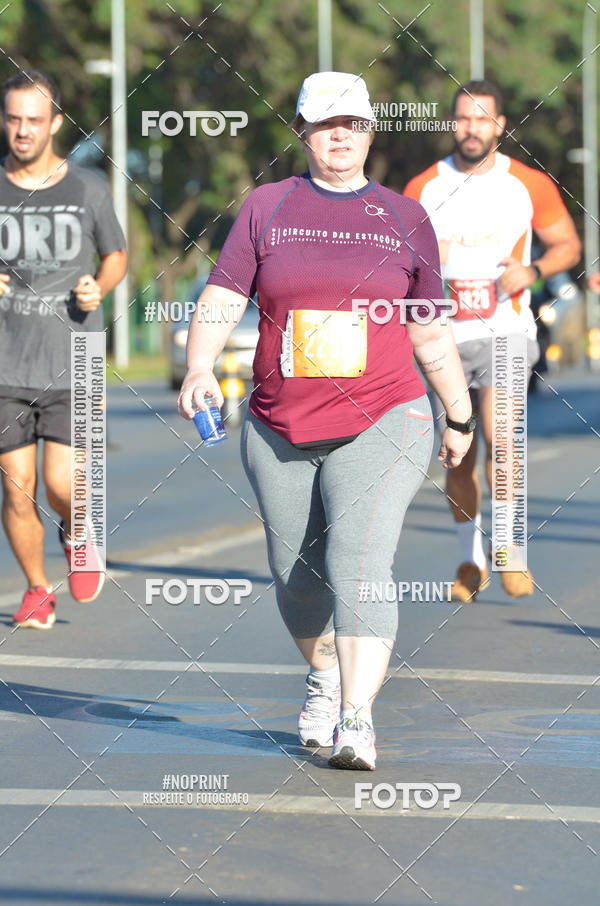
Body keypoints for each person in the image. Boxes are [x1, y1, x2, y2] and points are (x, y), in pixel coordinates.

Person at [178, 71, 473, 771]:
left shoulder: (405, 219)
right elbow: (222, 296)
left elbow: (429, 331)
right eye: (325, 123)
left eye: (354, 123)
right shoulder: (266, 207)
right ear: (303, 132)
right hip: (280, 423)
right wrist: (197, 368)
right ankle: (324, 677)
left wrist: (459, 414)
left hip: (386, 414)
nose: (340, 134)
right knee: (296, 573)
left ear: (371, 131)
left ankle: (356, 720)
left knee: (360, 562)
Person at [404, 79, 581, 602]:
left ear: (500, 125)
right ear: (452, 124)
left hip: (508, 331)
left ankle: (508, 552)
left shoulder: (527, 183)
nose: (472, 128)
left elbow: (568, 246)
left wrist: (533, 271)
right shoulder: (423, 188)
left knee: (502, 443)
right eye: (463, 119)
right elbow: (400, 263)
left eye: (482, 119)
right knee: (458, 453)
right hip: (444, 339)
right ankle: (470, 559)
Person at [0, 70, 127, 628]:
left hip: (72, 359)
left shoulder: (86, 188)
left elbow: (116, 255)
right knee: (16, 487)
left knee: (58, 483)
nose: (22, 130)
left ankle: (79, 532)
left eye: (34, 119)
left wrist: (99, 285)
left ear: (54, 123)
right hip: (6, 363)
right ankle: (35, 589)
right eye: (13, 118)